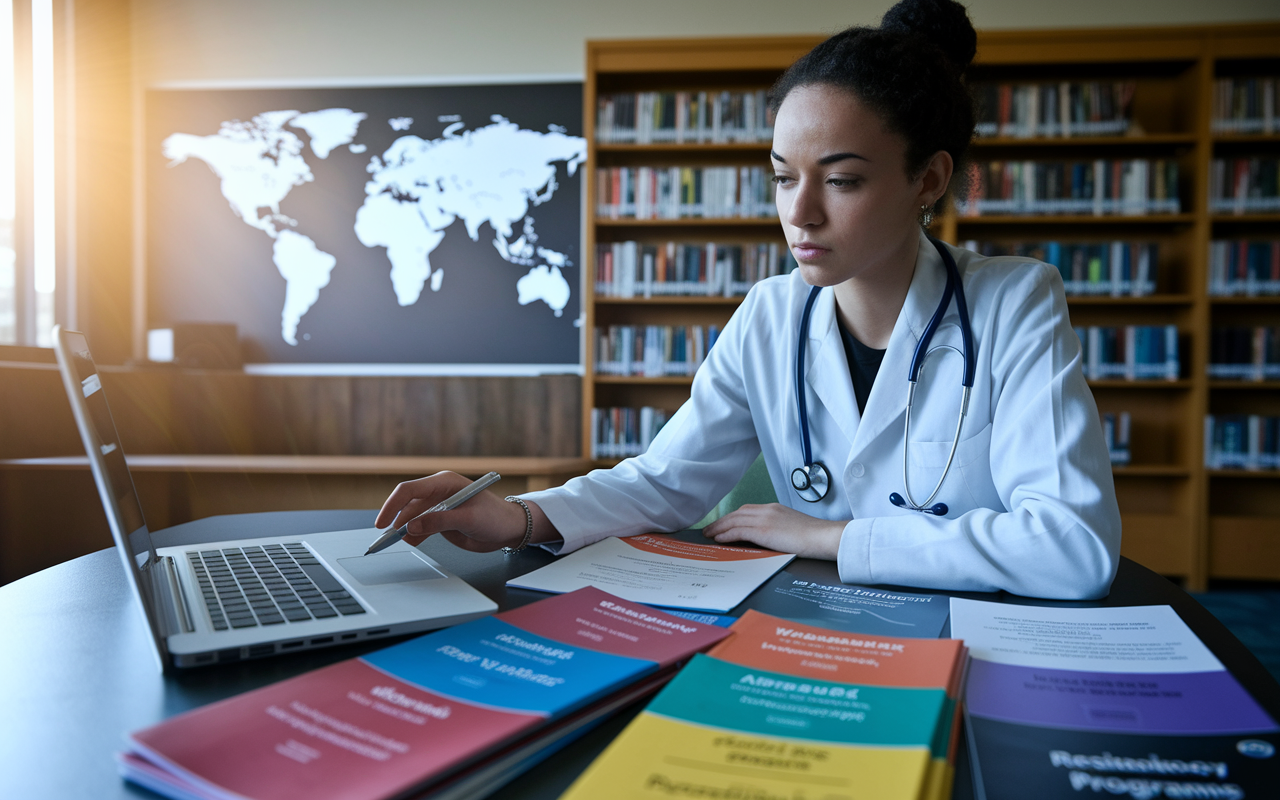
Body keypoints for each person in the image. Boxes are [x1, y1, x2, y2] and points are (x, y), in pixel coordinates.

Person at [375, 0, 1122, 600]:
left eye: (841, 179)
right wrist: (519, 516)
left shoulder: (1015, 301)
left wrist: (829, 536)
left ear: (927, 181)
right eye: (781, 175)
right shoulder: (770, 313)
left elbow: (1073, 549)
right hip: (819, 620)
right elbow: (669, 480)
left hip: (972, 635)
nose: (799, 213)